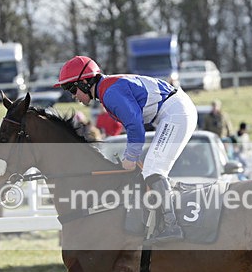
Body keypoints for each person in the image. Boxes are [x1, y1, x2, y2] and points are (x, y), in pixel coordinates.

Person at [54, 55, 197, 243]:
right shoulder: (107, 90)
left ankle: (172, 226)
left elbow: (135, 127)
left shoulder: (110, 93)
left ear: (85, 82)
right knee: (149, 168)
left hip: (176, 112)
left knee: (154, 168)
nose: (73, 96)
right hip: (171, 111)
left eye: (72, 89)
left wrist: (129, 158)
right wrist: (129, 158)